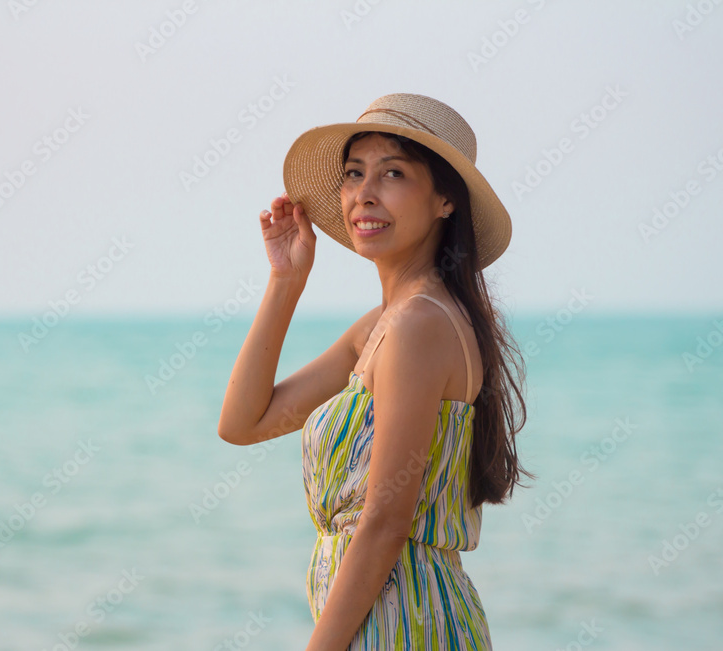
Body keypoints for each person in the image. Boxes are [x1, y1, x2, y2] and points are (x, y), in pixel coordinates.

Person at [217, 93, 533, 650]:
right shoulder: (384, 326)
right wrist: (285, 281)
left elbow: (386, 523)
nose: (364, 193)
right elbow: (244, 423)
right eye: (353, 173)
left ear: (444, 201)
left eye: (392, 173)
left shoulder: (418, 326)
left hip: (404, 624)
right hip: (389, 622)